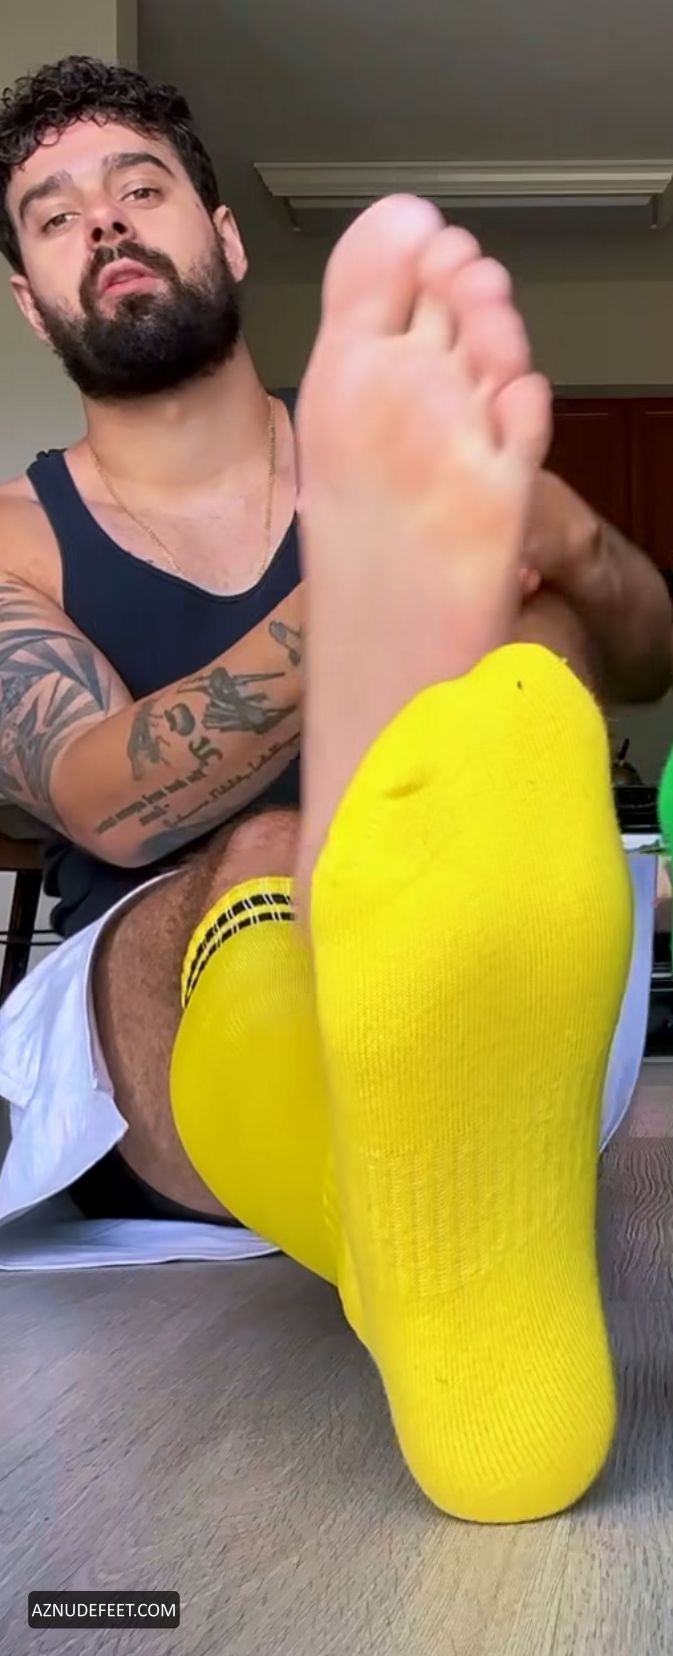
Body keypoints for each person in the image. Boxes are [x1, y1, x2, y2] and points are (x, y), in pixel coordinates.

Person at [0, 57, 668, 1244]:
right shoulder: (15, 538)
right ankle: (415, 1229)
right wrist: (378, 579)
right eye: (56, 218)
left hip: (444, 954)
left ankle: (430, 1212)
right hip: (163, 1037)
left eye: (139, 190)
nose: (103, 222)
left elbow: (646, 658)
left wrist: (569, 540)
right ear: (30, 303)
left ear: (226, 240)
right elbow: (103, 804)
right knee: (271, 854)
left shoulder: (409, 466)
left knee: (539, 647)